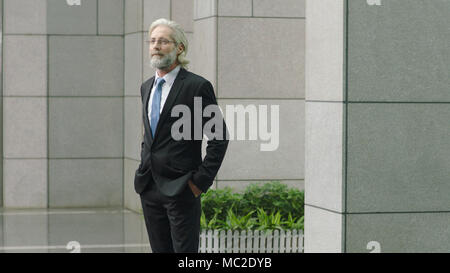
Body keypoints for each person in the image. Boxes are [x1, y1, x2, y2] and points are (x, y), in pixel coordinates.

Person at [134, 18, 229, 253]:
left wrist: (199, 183)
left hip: (182, 189)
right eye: (153, 41)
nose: (156, 45)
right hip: (149, 187)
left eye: (164, 41)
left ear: (179, 48)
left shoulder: (197, 87)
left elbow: (219, 137)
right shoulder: (146, 87)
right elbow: (152, 136)